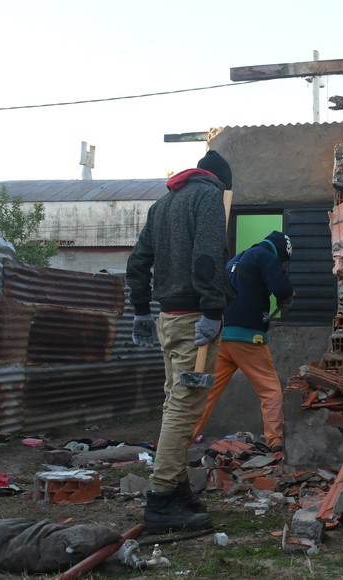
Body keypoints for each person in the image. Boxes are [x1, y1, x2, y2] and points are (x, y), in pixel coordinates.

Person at [126, 149, 234, 535]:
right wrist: (212, 307)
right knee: (184, 409)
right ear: (219, 181)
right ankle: (159, 502)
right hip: (196, 322)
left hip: (169, 320)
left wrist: (140, 309)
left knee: (177, 401)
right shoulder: (209, 195)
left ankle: (177, 489)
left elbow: (138, 261)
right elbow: (207, 255)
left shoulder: (163, 203)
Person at [191, 231, 294, 452]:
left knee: (207, 394)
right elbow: (282, 287)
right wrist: (287, 297)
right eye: (283, 260)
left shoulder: (235, 260)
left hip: (222, 335)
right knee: (271, 390)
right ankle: (275, 442)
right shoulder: (265, 256)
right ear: (280, 251)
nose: (281, 263)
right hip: (248, 338)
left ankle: (180, 440)